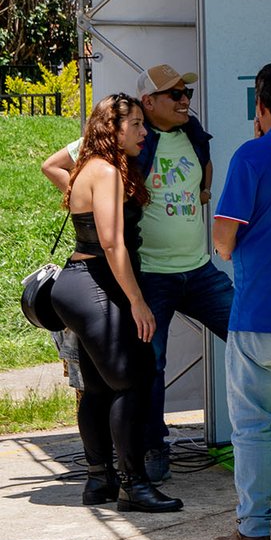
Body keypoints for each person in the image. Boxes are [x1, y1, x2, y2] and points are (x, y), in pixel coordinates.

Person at [52, 94, 181, 512]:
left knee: (97, 387)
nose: (144, 132)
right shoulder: (105, 171)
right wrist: (138, 301)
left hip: (78, 285)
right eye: (137, 124)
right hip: (95, 284)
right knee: (132, 381)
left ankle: (100, 481)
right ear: (114, 128)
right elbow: (111, 243)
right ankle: (133, 485)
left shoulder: (90, 166)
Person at [133, 64, 235, 483]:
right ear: (148, 102)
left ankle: (267, 432)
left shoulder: (192, 132)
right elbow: (59, 165)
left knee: (252, 336)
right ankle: (154, 446)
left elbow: (205, 168)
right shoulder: (131, 134)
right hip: (151, 275)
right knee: (151, 365)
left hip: (199, 271)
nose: (183, 101)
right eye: (174, 94)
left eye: (186, 93)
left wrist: (204, 190)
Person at [211, 60, 271, 540]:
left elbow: (223, 240)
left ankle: (254, 529)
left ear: (260, 106)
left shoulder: (252, 155)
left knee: (252, 428)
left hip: (260, 313)